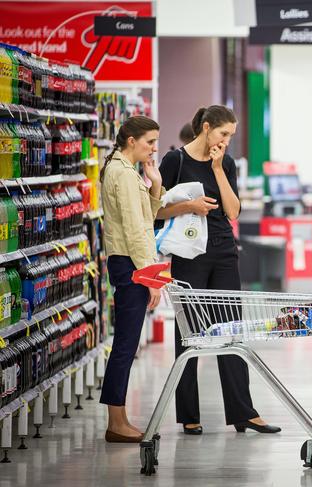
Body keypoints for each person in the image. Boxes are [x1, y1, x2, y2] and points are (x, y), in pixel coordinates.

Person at [157, 105, 280, 435]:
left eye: (231, 136)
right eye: (224, 134)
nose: (227, 140)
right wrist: (189, 207)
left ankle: (243, 412)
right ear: (207, 127)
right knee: (189, 334)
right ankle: (189, 415)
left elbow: (233, 211)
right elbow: (155, 209)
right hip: (189, 253)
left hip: (224, 250)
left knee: (232, 331)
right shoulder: (175, 161)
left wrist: (218, 169)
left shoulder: (225, 162)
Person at [99, 116, 164, 443]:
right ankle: (115, 421)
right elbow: (136, 232)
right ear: (131, 141)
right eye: (150, 141)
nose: (154, 148)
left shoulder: (126, 170)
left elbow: (145, 219)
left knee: (127, 341)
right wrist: (150, 276)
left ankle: (119, 417)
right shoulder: (122, 174)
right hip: (129, 264)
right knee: (125, 343)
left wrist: (155, 184)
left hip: (129, 262)